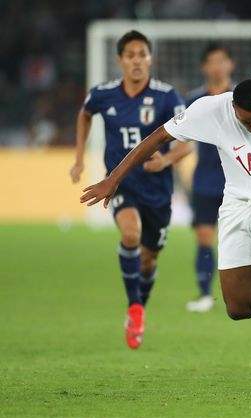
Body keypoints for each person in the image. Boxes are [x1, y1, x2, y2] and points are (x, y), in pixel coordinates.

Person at [80, 79, 251, 344]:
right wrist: (114, 179)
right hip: (236, 204)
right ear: (233, 108)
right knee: (239, 306)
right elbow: (157, 137)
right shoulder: (208, 110)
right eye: (249, 122)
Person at [69, 30, 191, 350]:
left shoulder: (166, 96)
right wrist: (80, 158)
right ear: (120, 60)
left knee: (149, 260)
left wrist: (164, 160)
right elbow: (84, 115)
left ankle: (137, 308)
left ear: (150, 58)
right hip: (121, 184)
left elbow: (186, 144)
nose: (137, 61)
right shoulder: (104, 94)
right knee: (130, 234)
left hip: (158, 191)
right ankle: (135, 309)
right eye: (130, 55)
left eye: (142, 55)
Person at [185, 43, 233, 313]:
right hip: (204, 179)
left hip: (236, 180)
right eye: (212, 61)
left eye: (222, 60)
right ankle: (205, 294)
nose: (217, 66)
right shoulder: (194, 100)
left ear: (230, 65)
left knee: (240, 239)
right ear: (204, 67)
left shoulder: (241, 97)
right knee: (204, 237)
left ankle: (243, 293)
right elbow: (183, 139)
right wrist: (166, 160)